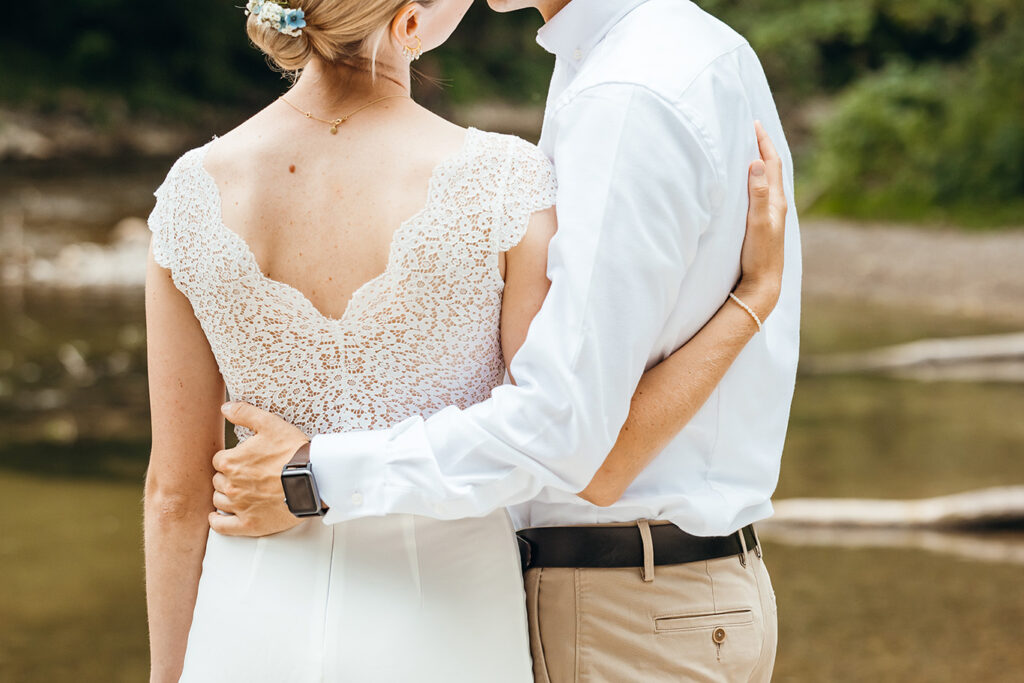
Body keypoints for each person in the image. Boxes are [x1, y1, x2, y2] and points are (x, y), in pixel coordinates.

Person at [144, 1, 793, 682]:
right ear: (410, 24)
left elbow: (174, 493)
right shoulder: (501, 183)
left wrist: (167, 673)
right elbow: (569, 437)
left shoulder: (191, 195)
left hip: (248, 608)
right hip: (444, 616)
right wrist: (750, 300)